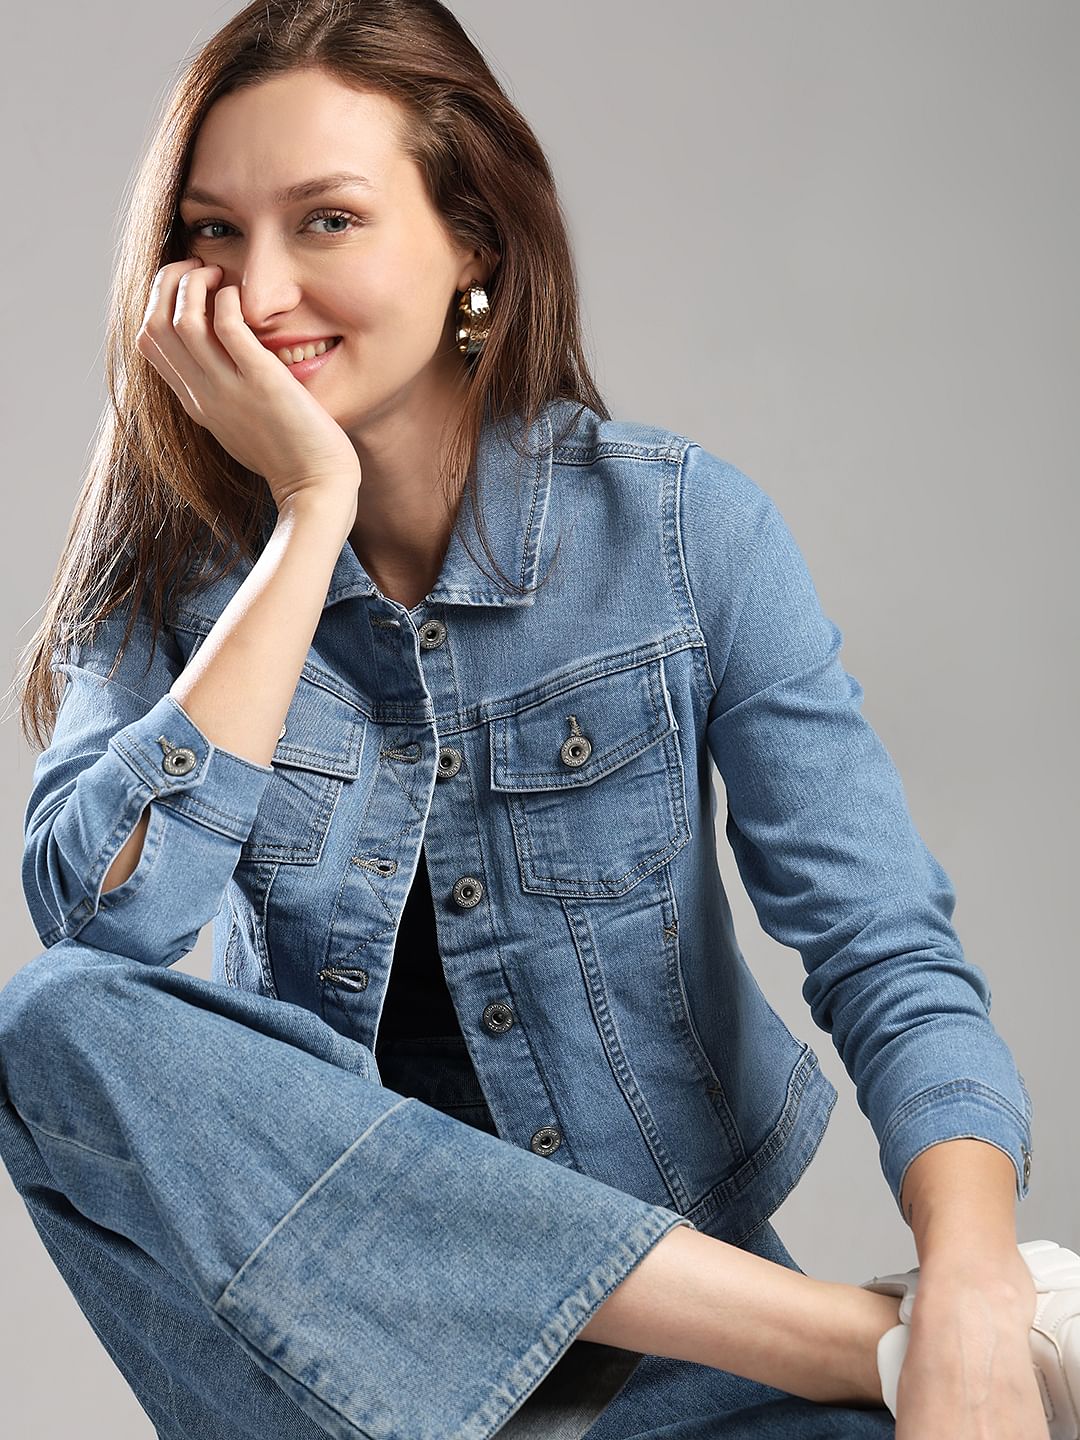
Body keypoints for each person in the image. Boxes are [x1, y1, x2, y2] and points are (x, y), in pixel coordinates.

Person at [0, 2, 1056, 1437]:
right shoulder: (168, 589)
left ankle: (851, 1352)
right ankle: (843, 1336)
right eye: (210, 233)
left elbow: (883, 951)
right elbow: (101, 932)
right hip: (334, 1385)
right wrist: (307, 517)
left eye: (326, 222)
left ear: (473, 247)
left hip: (702, 1385)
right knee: (47, 1021)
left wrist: (981, 1294)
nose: (254, 289)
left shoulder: (682, 537)